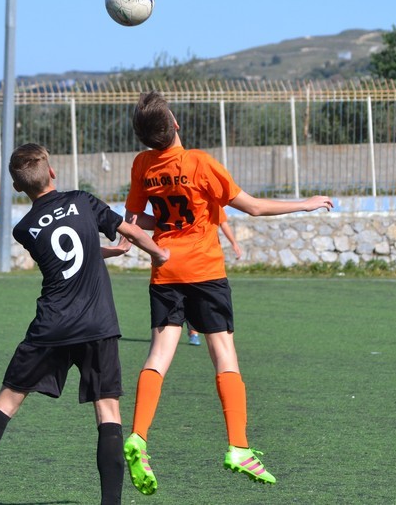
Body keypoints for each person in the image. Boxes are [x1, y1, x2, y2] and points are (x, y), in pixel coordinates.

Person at [122, 91, 333, 495]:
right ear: (175, 124)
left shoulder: (142, 165)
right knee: (224, 355)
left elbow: (135, 220)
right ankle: (238, 446)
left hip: (166, 270)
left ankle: (139, 436)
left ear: (145, 138)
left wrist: (158, 224)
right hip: (204, 271)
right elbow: (252, 207)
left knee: (158, 356)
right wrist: (305, 204)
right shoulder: (200, 162)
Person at [0, 143, 169, 505]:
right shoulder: (83, 200)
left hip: (52, 327)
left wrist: (103, 251)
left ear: (18, 187)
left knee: (7, 402)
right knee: (108, 411)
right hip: (97, 324)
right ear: (53, 172)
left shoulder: (24, 228)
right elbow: (133, 233)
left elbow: (61, 255)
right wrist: (159, 254)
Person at [187, 206, 242, 346]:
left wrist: (234, 243)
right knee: (189, 295)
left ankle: (198, 329)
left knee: (202, 298)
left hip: (205, 260)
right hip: (187, 256)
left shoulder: (213, 204)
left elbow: (223, 223)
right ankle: (193, 331)